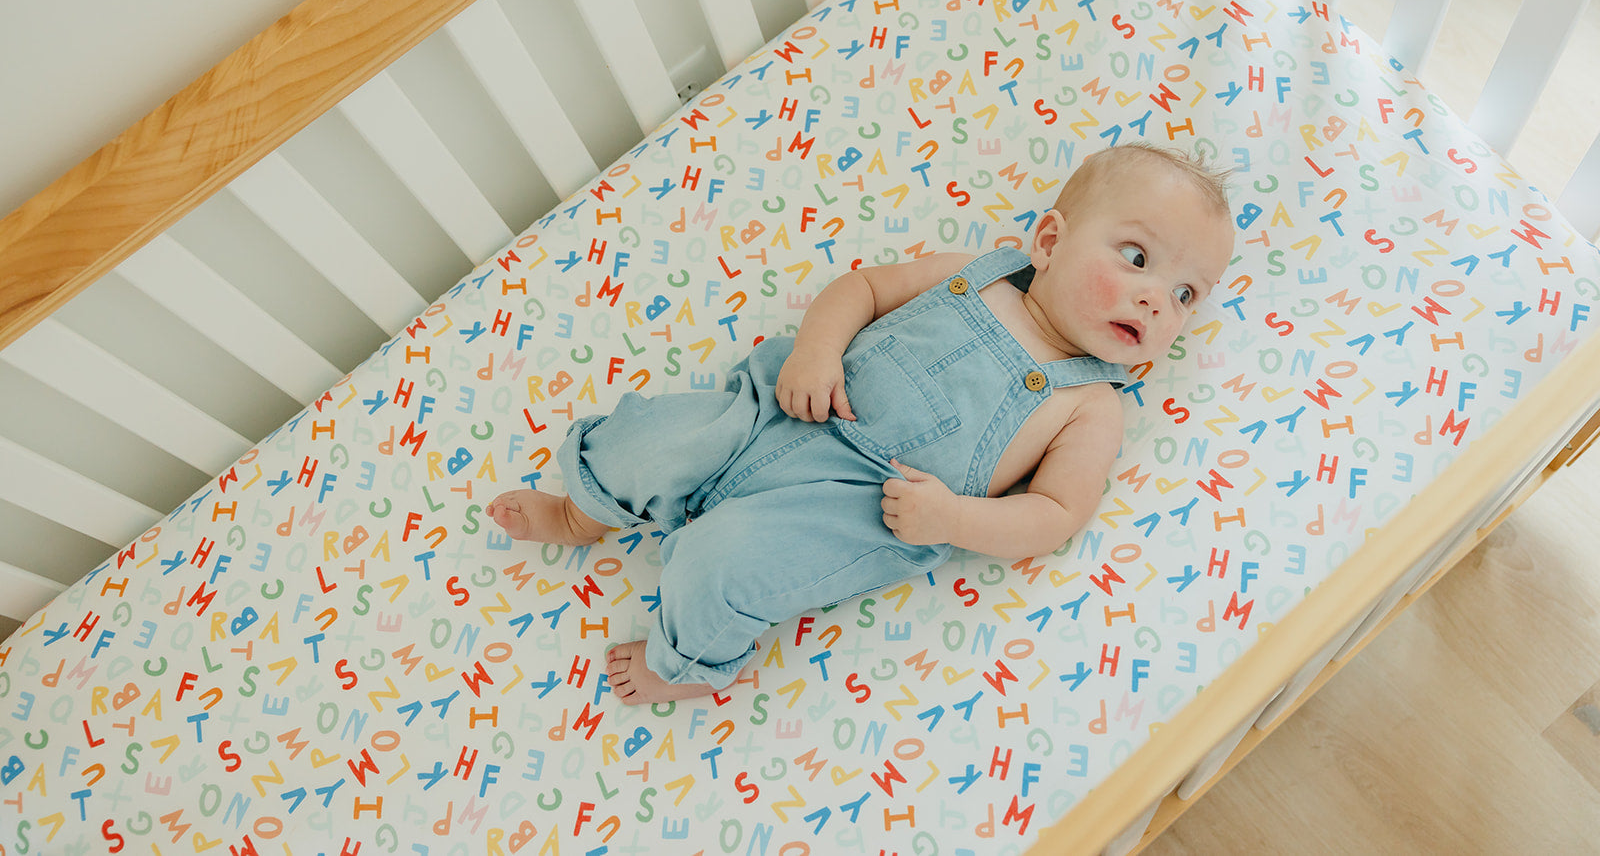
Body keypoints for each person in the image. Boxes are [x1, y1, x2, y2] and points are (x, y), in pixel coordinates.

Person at [485, 142, 1235, 704]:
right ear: (1048, 242)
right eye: (1136, 256)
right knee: (652, 439)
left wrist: (953, 518)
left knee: (727, 565)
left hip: (853, 510)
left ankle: (685, 665)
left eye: (1186, 295)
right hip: (778, 410)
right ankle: (582, 512)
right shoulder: (974, 271)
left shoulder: (1089, 404)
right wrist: (817, 350)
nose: (1156, 300)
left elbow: (1056, 514)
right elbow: (865, 289)